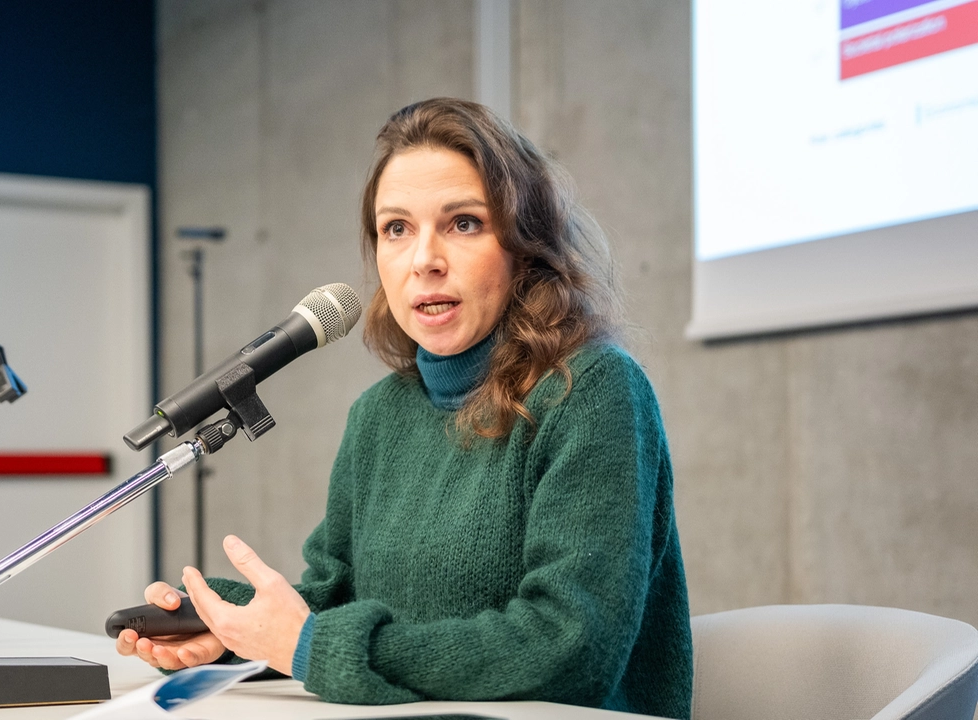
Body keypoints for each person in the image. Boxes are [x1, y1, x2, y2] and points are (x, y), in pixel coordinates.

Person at [117, 98, 693, 718]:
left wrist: (309, 644)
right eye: (397, 229)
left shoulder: (595, 390)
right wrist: (229, 628)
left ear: (525, 247)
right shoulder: (378, 416)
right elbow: (333, 604)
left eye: (464, 222)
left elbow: (568, 645)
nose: (424, 259)